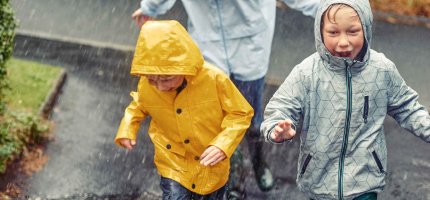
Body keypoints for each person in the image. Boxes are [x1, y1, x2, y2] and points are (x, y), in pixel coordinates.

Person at [131, 1, 319, 198]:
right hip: (207, 41)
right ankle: (235, 183)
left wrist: (332, 10)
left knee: (249, 114)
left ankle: (258, 160)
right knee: (216, 118)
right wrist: (150, 7)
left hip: (250, 40)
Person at [261, 0, 430, 199]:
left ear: (366, 28)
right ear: (320, 30)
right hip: (319, 182)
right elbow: (280, 107)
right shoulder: (306, 73)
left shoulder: (381, 70)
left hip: (364, 182)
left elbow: (407, 107)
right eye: (333, 32)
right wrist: (276, 129)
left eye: (352, 32)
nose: (343, 42)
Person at [115, 20, 254, 199]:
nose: (160, 87)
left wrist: (222, 145)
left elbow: (240, 113)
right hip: (172, 160)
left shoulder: (214, 79)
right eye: (152, 79)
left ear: (185, 65)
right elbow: (138, 105)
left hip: (210, 160)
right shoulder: (148, 84)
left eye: (167, 79)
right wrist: (128, 128)